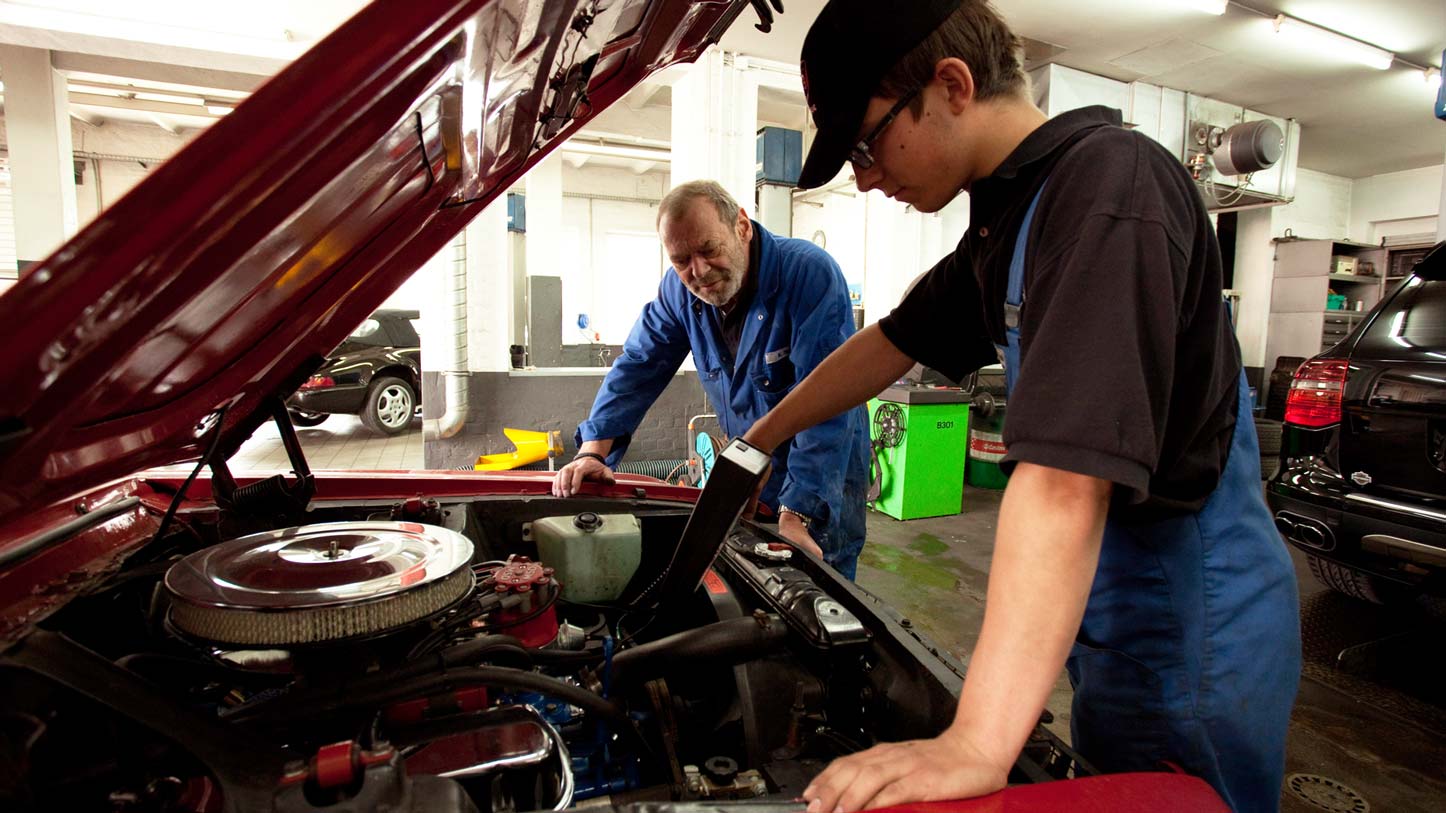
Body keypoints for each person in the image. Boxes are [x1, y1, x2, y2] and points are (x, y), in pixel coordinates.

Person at [742, 1, 1301, 810]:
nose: (864, 176)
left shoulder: (1109, 187)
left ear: (953, 85)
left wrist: (975, 741)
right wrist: (758, 439)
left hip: (1193, 613)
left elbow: (1065, 479)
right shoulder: (1007, 221)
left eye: (866, 143)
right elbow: (892, 340)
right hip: (1114, 602)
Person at [552, 180, 870, 579]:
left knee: (823, 596)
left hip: (825, 473)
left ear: (742, 226)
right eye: (681, 260)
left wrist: (799, 512)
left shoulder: (807, 274)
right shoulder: (679, 292)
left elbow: (829, 400)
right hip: (753, 470)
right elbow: (638, 365)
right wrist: (593, 452)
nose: (698, 272)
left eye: (708, 250)